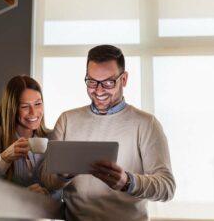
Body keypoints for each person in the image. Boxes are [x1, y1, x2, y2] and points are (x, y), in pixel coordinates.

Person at [52, 45, 176, 221]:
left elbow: (167, 187)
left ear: (124, 79)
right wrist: (61, 177)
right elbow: (47, 182)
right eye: (92, 82)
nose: (99, 90)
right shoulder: (66, 120)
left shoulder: (146, 124)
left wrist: (128, 182)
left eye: (109, 82)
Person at [0, 75, 60, 196]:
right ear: (12, 109)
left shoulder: (52, 136)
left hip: (43, 213)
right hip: (7, 214)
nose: (34, 112)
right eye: (25, 106)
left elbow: (60, 189)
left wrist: (47, 194)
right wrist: (4, 159)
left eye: (38, 104)